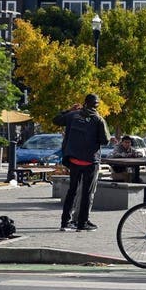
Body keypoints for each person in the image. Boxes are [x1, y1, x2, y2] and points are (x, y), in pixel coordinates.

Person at [53, 94, 111, 232]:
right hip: (90, 161)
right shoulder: (98, 119)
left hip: (73, 160)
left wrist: (69, 109)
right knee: (87, 192)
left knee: (72, 191)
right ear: (97, 105)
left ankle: (65, 222)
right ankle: (82, 223)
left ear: (84, 103)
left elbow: (56, 120)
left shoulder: (73, 115)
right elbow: (105, 140)